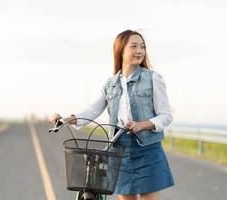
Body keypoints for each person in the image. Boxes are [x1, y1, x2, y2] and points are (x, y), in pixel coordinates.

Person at [50, 29, 174, 200]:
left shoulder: (153, 78)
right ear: (120, 50)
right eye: (134, 46)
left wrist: (141, 124)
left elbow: (166, 115)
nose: (139, 51)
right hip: (119, 149)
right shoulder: (111, 84)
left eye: (142, 47)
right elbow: (93, 110)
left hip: (148, 149)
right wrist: (67, 119)